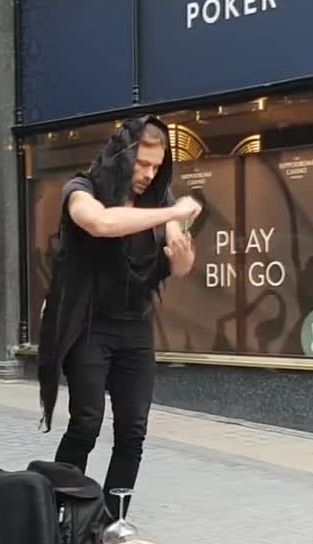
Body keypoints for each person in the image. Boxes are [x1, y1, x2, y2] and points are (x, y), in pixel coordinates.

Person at [37, 115, 200, 518]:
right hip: (88, 324)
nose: (148, 174)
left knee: (132, 432)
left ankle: (110, 524)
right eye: (142, 164)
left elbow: (180, 263)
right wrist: (171, 213)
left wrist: (182, 257)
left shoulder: (160, 202)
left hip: (134, 327)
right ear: (121, 154)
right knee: (87, 422)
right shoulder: (82, 189)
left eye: (156, 166)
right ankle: (61, 516)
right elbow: (101, 223)